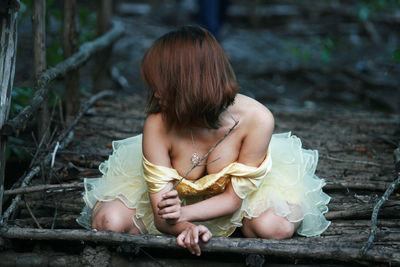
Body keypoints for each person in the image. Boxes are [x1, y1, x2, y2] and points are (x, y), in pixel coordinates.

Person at [77, 25, 331, 257]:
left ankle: (243, 225)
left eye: (162, 84)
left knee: (274, 227)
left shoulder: (257, 119)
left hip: (235, 200)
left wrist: (183, 213)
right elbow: (161, 213)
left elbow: (233, 200)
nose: (155, 93)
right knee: (108, 222)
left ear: (188, 84)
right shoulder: (158, 124)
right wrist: (187, 228)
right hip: (172, 208)